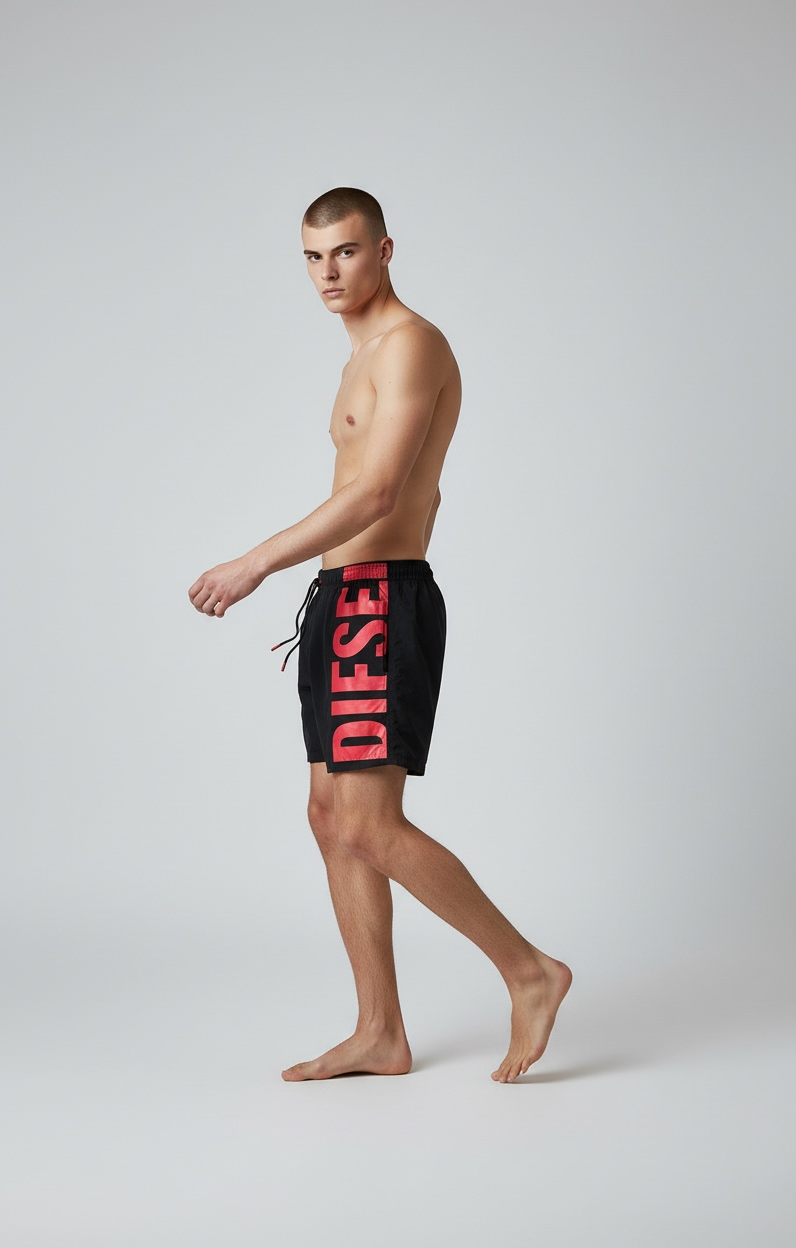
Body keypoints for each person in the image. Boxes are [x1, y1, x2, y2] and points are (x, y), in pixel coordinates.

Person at [188, 188, 571, 1082]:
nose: (328, 272)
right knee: (331, 818)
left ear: (386, 250)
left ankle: (530, 971)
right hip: (340, 599)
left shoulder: (411, 345)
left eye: (347, 252)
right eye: (314, 256)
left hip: (378, 600)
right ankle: (379, 1031)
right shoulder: (361, 353)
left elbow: (380, 492)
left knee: (368, 823)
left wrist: (255, 563)